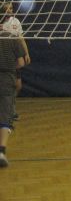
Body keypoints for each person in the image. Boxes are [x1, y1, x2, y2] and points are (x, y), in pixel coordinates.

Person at [0, 30, 26, 167]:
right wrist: (9, 67)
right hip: (7, 79)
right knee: (5, 116)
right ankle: (1, 152)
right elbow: (21, 63)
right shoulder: (12, 37)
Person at [2, 2, 30, 120]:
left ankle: (10, 109)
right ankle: (8, 111)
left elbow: (21, 38)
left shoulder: (15, 22)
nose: (10, 10)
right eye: (7, 9)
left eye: (11, 8)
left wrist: (26, 53)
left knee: (17, 85)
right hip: (3, 55)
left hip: (13, 55)